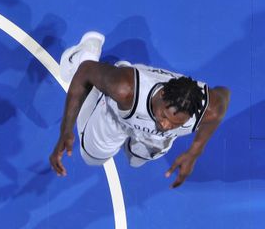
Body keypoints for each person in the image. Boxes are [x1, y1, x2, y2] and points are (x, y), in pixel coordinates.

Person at [50, 31, 230, 188]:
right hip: (118, 114)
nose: (166, 126)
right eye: (165, 116)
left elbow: (223, 96)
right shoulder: (125, 90)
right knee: (93, 158)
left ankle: (114, 76)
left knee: (136, 160)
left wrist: (194, 152)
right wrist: (66, 130)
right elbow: (86, 72)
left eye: (176, 124)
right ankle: (86, 52)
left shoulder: (206, 109)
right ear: (162, 94)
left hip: (151, 134)